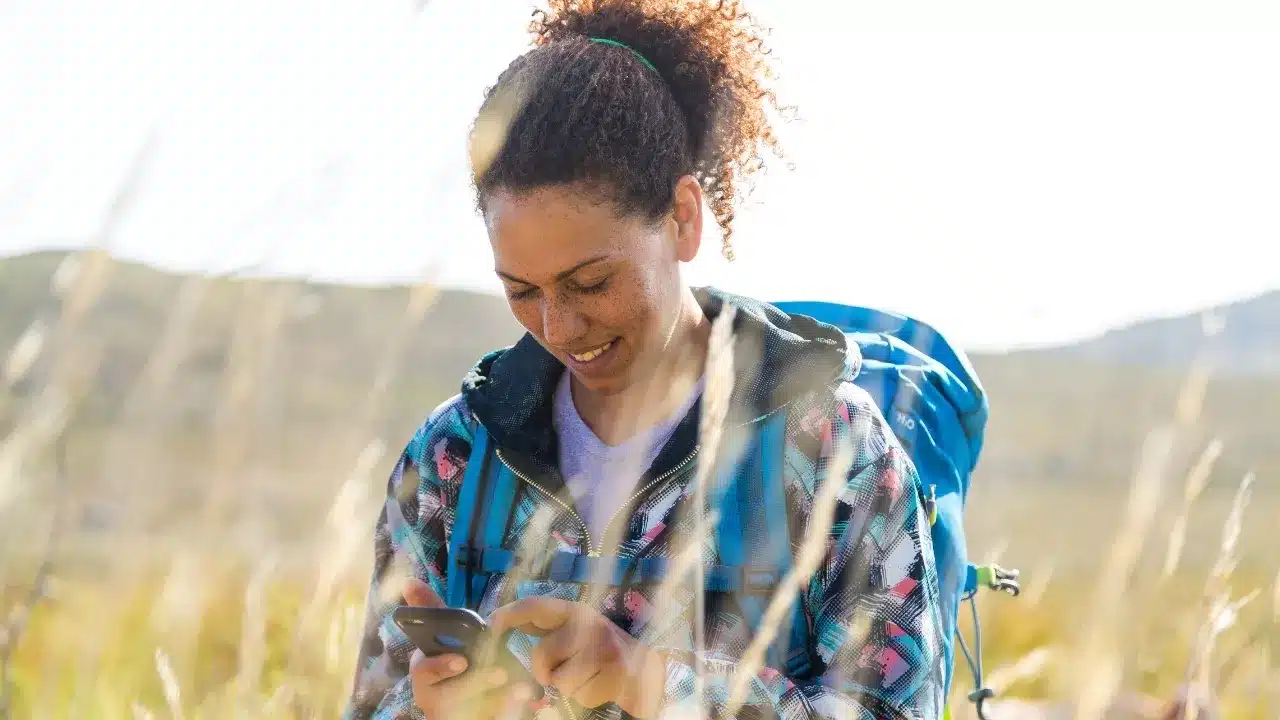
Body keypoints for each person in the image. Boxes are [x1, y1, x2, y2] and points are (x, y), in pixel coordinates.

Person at [344, 1, 946, 718]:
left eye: (591, 281)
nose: (558, 326)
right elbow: (373, 703)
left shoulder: (832, 450)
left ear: (683, 219)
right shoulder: (451, 456)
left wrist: (657, 685)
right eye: (521, 290)